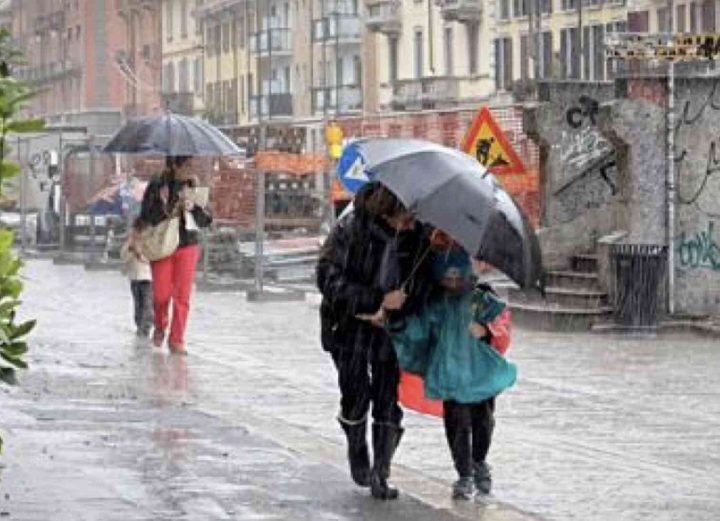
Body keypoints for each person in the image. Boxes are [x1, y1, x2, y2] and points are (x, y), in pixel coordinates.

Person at [316, 183, 432, 500]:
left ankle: (381, 471)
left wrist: (403, 303)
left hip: (391, 328)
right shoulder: (350, 229)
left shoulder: (418, 237)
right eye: (404, 219)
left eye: (412, 219)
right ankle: (356, 444)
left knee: (386, 397)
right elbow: (327, 275)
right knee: (355, 392)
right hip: (348, 324)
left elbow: (423, 283)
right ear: (387, 211)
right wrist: (372, 301)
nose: (410, 225)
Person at [389, 241, 516, 500]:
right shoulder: (434, 304)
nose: (454, 283)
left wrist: (486, 331)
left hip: (479, 372)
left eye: (459, 277)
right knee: (457, 424)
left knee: (483, 420)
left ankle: (479, 462)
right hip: (449, 374)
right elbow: (418, 332)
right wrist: (397, 322)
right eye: (449, 278)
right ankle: (464, 473)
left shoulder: (481, 299)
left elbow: (502, 323)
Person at [138, 156, 212, 354]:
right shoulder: (157, 185)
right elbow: (146, 216)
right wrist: (165, 206)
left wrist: (194, 208)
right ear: (174, 165)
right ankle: (161, 324)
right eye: (187, 165)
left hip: (188, 245)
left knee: (182, 295)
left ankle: (177, 339)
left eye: (193, 164)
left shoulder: (194, 186)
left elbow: (206, 220)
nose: (191, 169)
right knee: (161, 295)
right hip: (162, 246)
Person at [120, 218, 153, 338]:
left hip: (148, 277)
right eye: (136, 230)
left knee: (147, 304)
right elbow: (123, 257)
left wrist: (140, 254)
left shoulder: (150, 242)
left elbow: (152, 259)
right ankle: (140, 325)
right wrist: (130, 248)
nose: (138, 233)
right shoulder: (130, 242)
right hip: (134, 277)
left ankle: (145, 328)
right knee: (138, 304)